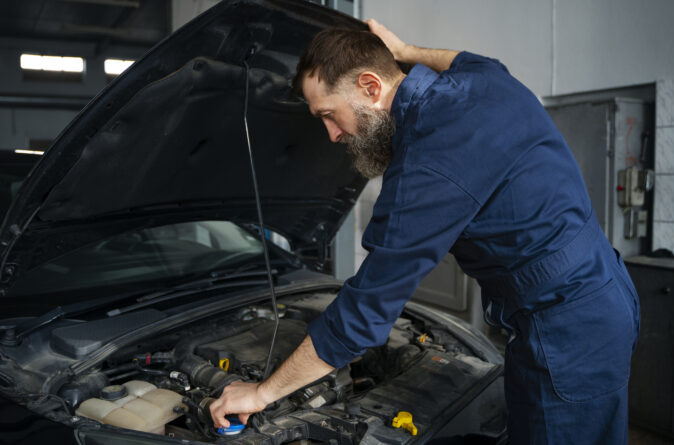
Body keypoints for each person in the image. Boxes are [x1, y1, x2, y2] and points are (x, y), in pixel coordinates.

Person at [209, 20, 640, 444]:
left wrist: (262, 393)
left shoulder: (428, 162)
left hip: (565, 327)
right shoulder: (482, 81)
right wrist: (405, 50)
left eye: (329, 115)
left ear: (371, 88)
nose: (333, 134)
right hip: (600, 291)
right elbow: (470, 59)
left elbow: (364, 312)